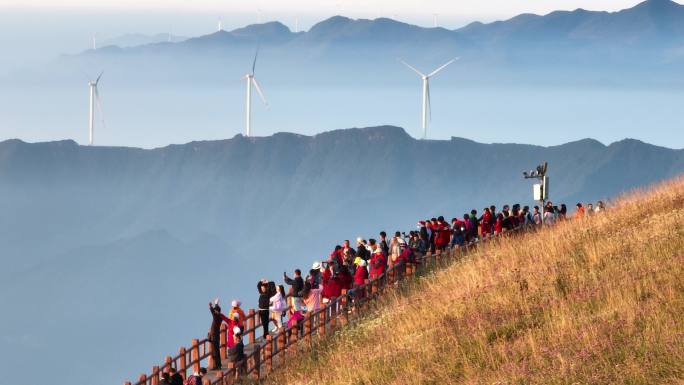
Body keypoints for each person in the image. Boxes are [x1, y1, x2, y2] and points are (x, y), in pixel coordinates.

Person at [208, 301, 223, 370]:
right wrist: (216, 304)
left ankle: (217, 366)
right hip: (216, 334)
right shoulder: (220, 317)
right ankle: (218, 365)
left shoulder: (216, 317)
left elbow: (213, 312)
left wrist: (210, 306)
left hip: (214, 335)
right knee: (216, 350)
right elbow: (214, 311)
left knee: (215, 351)